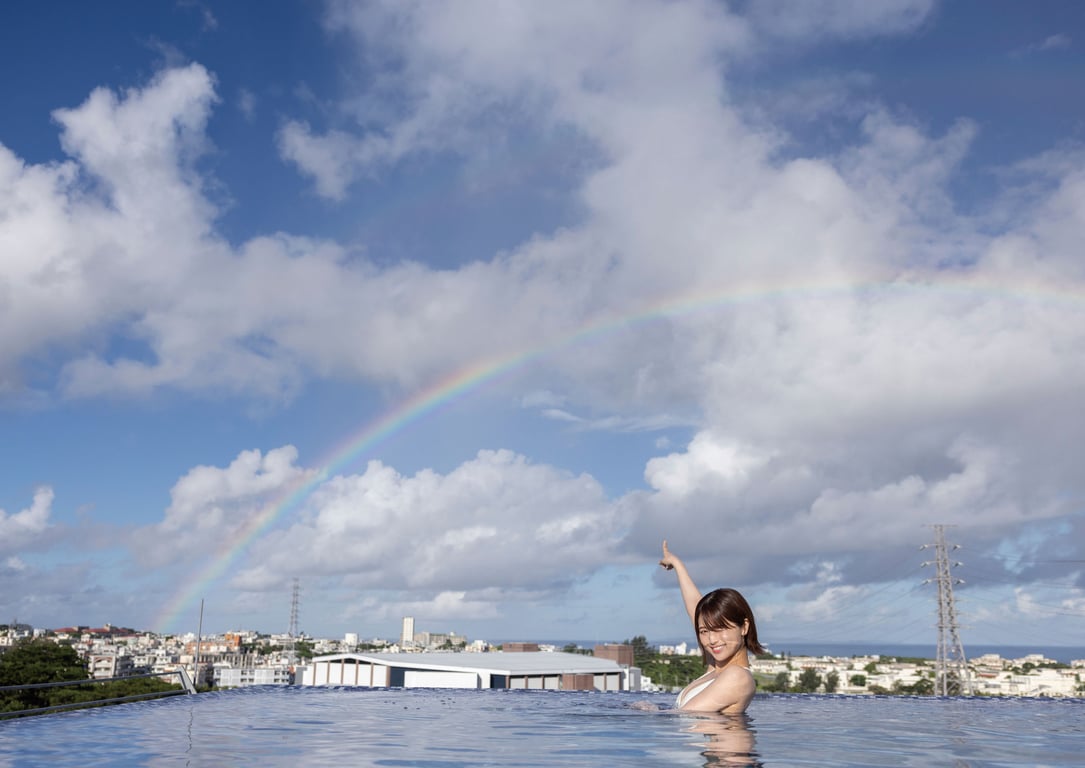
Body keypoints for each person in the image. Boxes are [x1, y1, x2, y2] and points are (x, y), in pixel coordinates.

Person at [660, 539, 765, 714]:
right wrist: (677, 565)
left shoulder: (738, 677)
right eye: (704, 631)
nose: (712, 640)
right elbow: (696, 609)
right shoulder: (716, 667)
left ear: (744, 627)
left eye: (721, 629)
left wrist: (645, 713)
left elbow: (684, 717)